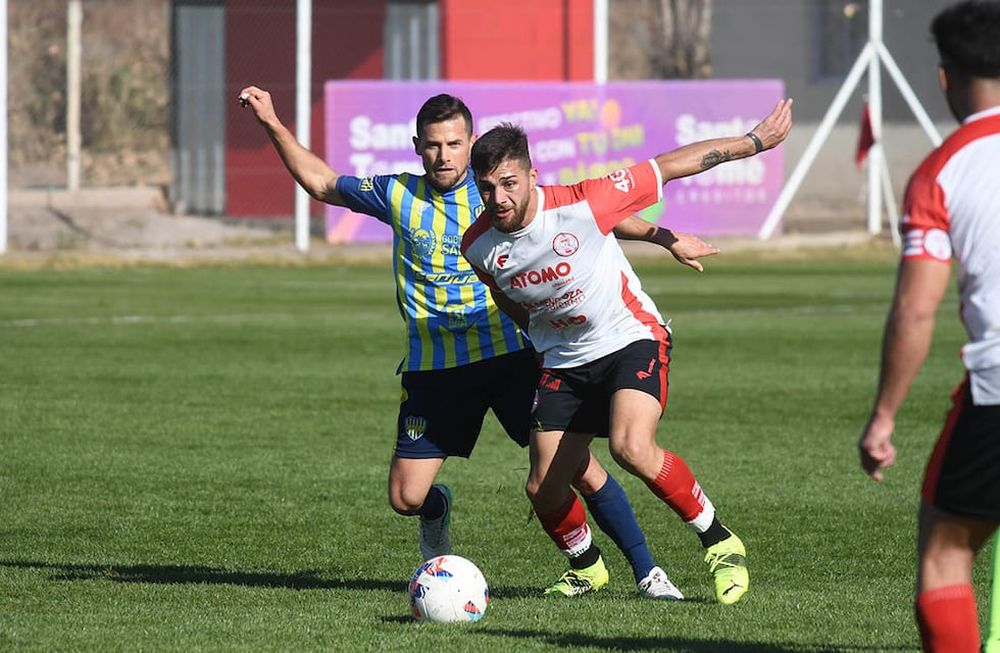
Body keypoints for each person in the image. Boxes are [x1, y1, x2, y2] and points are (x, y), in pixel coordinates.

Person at [239, 87, 719, 598]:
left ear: (470, 142)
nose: (443, 155)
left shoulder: (497, 191)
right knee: (405, 497)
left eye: (453, 143)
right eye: (432, 145)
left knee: (577, 468)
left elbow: (594, 212)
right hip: (436, 365)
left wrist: (664, 237)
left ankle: (645, 571)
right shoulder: (396, 193)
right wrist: (271, 119)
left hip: (510, 355)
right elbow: (320, 183)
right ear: (417, 146)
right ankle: (555, 550)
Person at [461, 100, 793, 604]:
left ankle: (719, 541)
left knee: (630, 448)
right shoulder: (478, 245)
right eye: (487, 187)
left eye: (509, 182)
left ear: (533, 174)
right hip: (563, 363)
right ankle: (587, 567)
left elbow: (668, 165)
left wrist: (752, 143)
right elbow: (505, 293)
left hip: (628, 338)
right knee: (543, 492)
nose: (499, 197)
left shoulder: (581, 200)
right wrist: (541, 339)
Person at [857, 1, 1000, 650]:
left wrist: (884, 416)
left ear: (945, 79)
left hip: (996, 392)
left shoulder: (942, 171)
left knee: (945, 553)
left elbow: (917, 308)